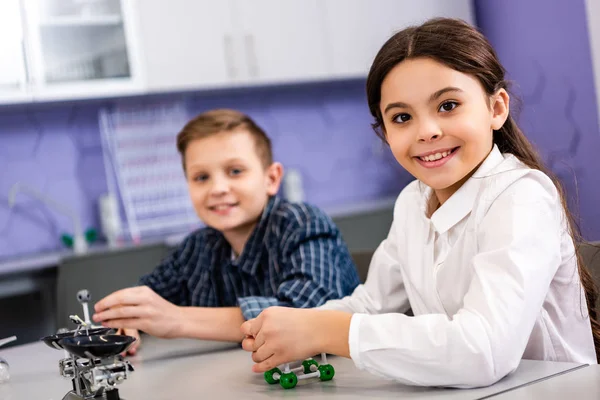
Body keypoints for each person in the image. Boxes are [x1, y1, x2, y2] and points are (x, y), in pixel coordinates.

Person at [241, 18, 600, 388]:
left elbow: (484, 350)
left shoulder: (522, 197)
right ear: (385, 132)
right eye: (401, 117)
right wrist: (296, 328)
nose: (427, 130)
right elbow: (370, 306)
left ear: (496, 108)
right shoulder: (413, 202)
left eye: (448, 105)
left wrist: (330, 331)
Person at [92, 109, 360, 355]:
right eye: (201, 177)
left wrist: (177, 319)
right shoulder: (199, 246)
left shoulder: (303, 223)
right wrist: (130, 319)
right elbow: (151, 296)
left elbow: (311, 317)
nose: (218, 188)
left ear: (272, 179)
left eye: (235, 171)